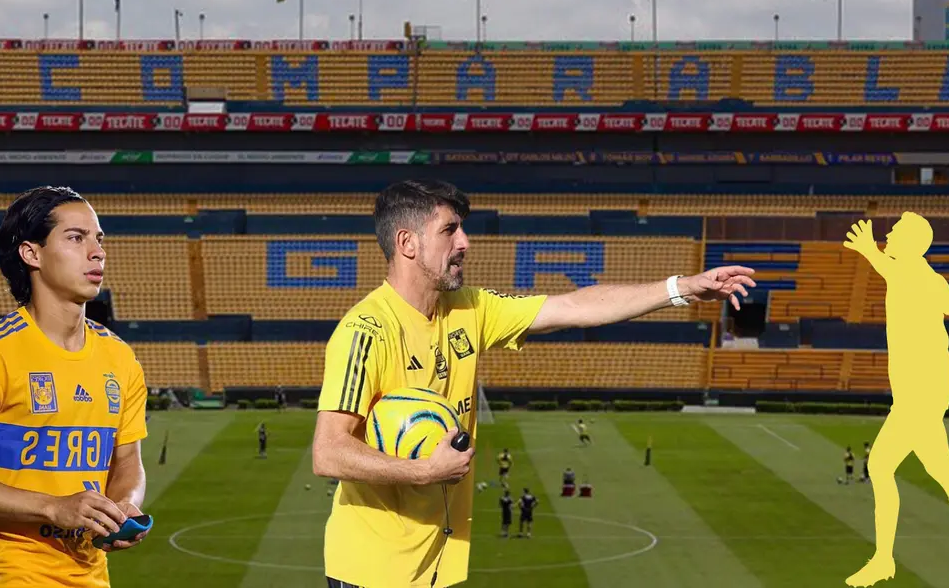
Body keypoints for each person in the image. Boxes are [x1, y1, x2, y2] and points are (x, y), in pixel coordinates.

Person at [311, 179, 756, 588]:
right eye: (450, 231)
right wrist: (424, 471)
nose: (465, 243)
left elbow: (573, 306)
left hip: (435, 565)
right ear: (407, 243)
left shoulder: (469, 308)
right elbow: (328, 451)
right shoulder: (366, 332)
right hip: (371, 570)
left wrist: (681, 288)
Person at [0, 186, 150, 587]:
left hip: (90, 572)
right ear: (32, 254)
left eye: (99, 239)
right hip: (12, 569)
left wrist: (123, 507)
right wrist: (52, 507)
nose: (97, 252)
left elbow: (128, 460)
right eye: (76, 238)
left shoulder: (120, 358)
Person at [842, 215, 949, 587]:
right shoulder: (925, 277)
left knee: (882, 466)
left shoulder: (912, 274)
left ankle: (884, 560)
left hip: (921, 389)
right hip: (924, 387)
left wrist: (869, 249)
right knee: (940, 468)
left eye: (894, 232)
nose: (888, 235)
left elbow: (888, 268)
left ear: (912, 243)